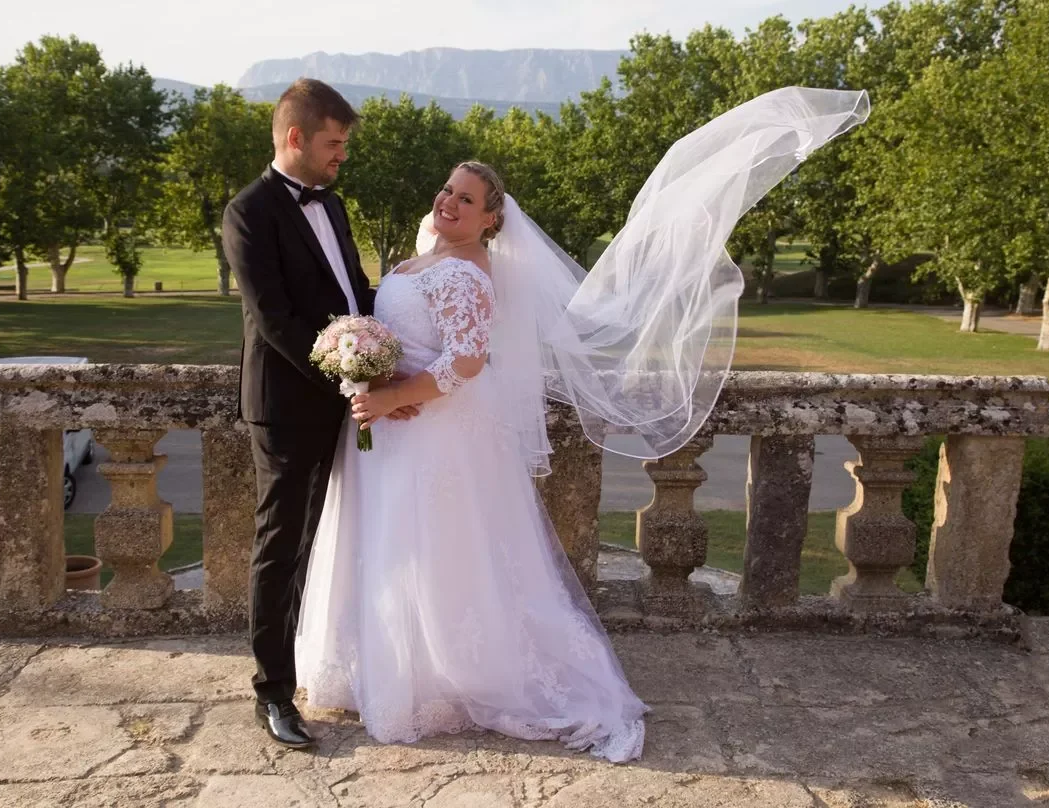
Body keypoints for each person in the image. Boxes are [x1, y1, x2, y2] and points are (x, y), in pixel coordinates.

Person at [294, 87, 872, 761]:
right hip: (394, 429)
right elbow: (409, 333)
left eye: (466, 200)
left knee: (436, 552)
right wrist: (374, 369)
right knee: (393, 549)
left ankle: (441, 678)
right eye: (447, 190)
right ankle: (385, 665)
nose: (448, 202)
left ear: (489, 222)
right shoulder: (426, 249)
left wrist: (395, 397)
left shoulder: (468, 276)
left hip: (433, 436)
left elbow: (468, 363)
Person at [222, 78, 392, 749]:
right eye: (333, 142)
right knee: (282, 548)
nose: (340, 155)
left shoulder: (336, 204)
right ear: (295, 137)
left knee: (345, 541)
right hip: (289, 408)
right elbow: (275, 322)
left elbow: (353, 293)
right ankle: (272, 694)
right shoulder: (248, 212)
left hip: (348, 402)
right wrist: (348, 376)